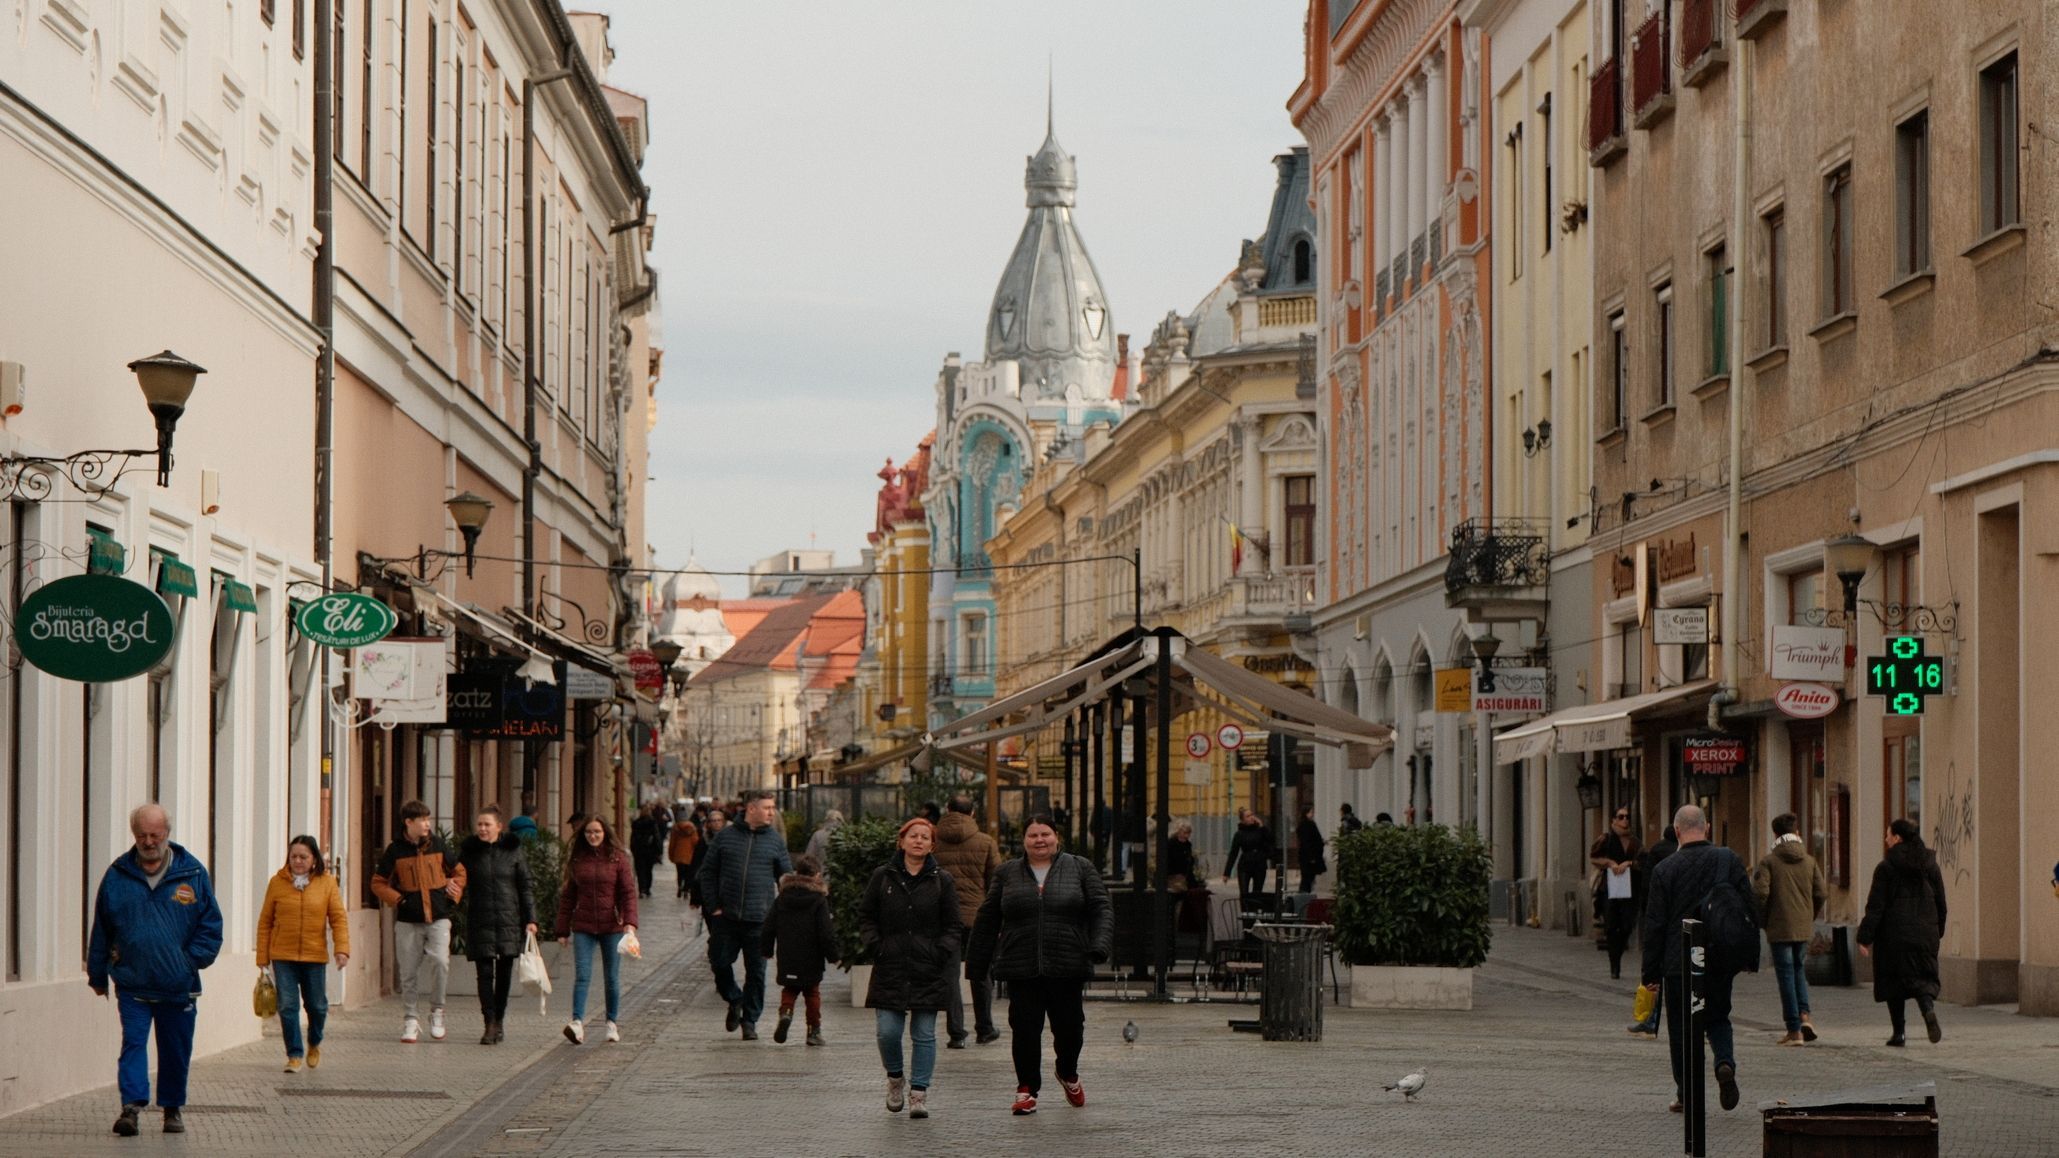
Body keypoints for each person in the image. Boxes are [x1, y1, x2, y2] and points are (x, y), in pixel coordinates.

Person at [89, 805, 222, 1138]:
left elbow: (211, 926)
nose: (149, 842)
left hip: (178, 985)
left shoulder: (192, 874)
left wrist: (189, 961)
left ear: (167, 834)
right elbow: (102, 928)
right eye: (142, 835)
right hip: (132, 981)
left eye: (155, 835)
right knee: (133, 1044)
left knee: (175, 1049)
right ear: (134, 835)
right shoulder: (118, 875)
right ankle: (131, 1109)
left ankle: (172, 1108)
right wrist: (97, 974)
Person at [969, 814, 1112, 1116]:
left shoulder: (1080, 868)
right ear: (1024, 841)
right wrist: (977, 964)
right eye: (1033, 835)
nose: (1040, 840)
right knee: (1024, 1030)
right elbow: (988, 917)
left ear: (1056, 837)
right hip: (1021, 966)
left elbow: (1101, 907)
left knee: (1070, 1029)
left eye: (1045, 834)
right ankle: (1026, 1089)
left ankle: (1067, 1072)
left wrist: (1099, 945)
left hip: (1068, 963)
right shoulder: (1007, 873)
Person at [1640, 804, 1749, 1114]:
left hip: (1679, 962)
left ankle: (1686, 1092)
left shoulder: (1665, 870)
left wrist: (1650, 973)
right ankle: (1724, 1063)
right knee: (1717, 1016)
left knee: (1681, 1030)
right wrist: (1745, 956)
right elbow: (1748, 909)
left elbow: (1655, 925)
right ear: (1708, 827)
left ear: (1677, 831)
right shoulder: (1729, 860)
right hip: (1718, 958)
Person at [861, 817, 962, 1119]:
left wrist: (941, 950)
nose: (918, 841)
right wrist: (876, 944)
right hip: (890, 964)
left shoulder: (941, 880)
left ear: (932, 844)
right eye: (913, 835)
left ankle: (919, 1092)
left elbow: (953, 924)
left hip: (928, 966)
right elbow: (866, 915)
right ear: (901, 841)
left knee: (924, 1033)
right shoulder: (883, 876)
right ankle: (895, 1079)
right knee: (888, 1032)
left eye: (925, 837)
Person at [698, 790, 794, 1040]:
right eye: (767, 807)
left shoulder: (774, 840)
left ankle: (750, 1020)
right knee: (719, 962)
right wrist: (714, 906)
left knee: (757, 973)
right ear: (751, 809)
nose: (772, 812)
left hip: (759, 919)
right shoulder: (726, 837)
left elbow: (785, 878)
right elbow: (707, 873)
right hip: (726, 917)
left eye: (773, 808)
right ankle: (734, 998)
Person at [370, 800, 465, 1044]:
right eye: (422, 820)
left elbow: (460, 872)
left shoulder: (439, 845)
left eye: (428, 819)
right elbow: (378, 883)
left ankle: (438, 1012)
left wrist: (454, 894)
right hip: (408, 921)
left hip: (438, 917)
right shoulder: (395, 851)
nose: (427, 824)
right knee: (408, 971)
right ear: (408, 822)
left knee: (441, 961)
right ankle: (411, 1019)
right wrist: (399, 900)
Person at [256, 835, 349, 1072]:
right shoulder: (277, 883)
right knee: (287, 1006)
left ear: (313, 859)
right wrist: (263, 959)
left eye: (303, 857)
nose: (297, 861)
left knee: (317, 1006)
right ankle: (294, 1054)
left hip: (314, 955)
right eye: (293, 856)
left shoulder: (327, 883)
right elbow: (265, 921)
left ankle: (314, 1042)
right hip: (282, 955)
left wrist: (341, 949)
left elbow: (338, 918)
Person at [1857, 818, 1948, 1047]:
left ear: (1897, 838)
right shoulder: (1930, 865)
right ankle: (1928, 1010)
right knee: (1923, 980)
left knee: (1894, 982)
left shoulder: (1886, 868)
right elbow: (1941, 902)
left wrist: (1865, 937)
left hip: (1894, 936)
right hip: (1925, 934)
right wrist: (1938, 930)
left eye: (1888, 835)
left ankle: (1899, 1033)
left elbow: (1876, 906)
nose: (1886, 839)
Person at [554, 815, 638, 1045]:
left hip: (612, 926)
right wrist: (562, 929)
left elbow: (628, 893)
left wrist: (630, 922)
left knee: (611, 977)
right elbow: (568, 896)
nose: (593, 836)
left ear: (605, 833)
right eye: (589, 832)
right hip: (583, 926)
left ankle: (611, 1023)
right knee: (582, 975)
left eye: (597, 832)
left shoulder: (617, 858)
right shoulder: (577, 859)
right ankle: (577, 1023)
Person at [458, 804, 536, 1046]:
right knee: (484, 974)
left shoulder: (513, 852)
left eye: (487, 824)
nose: (482, 828)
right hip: (480, 919)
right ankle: (489, 1023)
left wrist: (531, 919)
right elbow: (457, 879)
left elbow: (525, 886)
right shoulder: (469, 853)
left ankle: (499, 1019)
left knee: (503, 976)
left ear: (499, 827)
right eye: (479, 824)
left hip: (508, 920)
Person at [933, 795, 1002, 1049]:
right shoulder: (985, 841)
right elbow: (997, 881)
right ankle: (984, 1028)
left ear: (948, 809)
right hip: (978, 916)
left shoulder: (933, 841)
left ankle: (956, 1034)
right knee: (980, 972)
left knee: (950, 975)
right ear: (973, 813)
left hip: (944, 918)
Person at [1753, 812, 1826, 1046]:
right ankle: (1805, 1017)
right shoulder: (1809, 861)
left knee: (1785, 974)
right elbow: (1821, 893)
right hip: (1803, 927)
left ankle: (1794, 1030)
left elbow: (1760, 893)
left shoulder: (1769, 862)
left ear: (1775, 835)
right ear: (1797, 834)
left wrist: (1763, 919)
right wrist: (1809, 915)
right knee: (1798, 971)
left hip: (1779, 926)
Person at [761, 854, 838, 1047]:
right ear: (817, 875)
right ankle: (813, 1031)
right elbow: (826, 932)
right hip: (811, 955)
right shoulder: (819, 900)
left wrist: (767, 949)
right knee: (812, 992)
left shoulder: (783, 897)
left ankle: (786, 1013)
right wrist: (833, 956)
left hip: (788, 953)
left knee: (790, 989)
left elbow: (769, 925)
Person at [1626, 824, 1679, 1038]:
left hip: (1660, 920)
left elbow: (1647, 886)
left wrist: (1646, 913)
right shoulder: (1690, 852)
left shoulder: (1656, 852)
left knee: (1654, 974)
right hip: (1687, 923)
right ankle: (1698, 1025)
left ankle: (1650, 1021)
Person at [1589, 807, 1643, 980]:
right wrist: (1610, 863)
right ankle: (1614, 964)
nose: (1625, 820)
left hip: (1630, 890)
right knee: (1612, 927)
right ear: (1613, 820)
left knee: (1627, 925)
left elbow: (1643, 862)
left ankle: (1619, 950)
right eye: (1621, 817)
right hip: (1609, 889)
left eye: (1627, 817)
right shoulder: (1606, 839)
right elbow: (1593, 857)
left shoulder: (1635, 842)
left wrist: (1629, 863)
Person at [1221, 810, 1271, 910]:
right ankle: (1245, 915)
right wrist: (1227, 872)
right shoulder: (1239, 834)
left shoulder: (1260, 830)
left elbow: (1270, 840)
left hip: (1259, 864)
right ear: (1243, 820)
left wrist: (1262, 826)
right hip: (1245, 865)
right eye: (1248, 816)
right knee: (1244, 893)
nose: (1251, 817)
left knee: (1257, 892)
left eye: (1252, 815)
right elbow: (1233, 853)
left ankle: (1255, 915)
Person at [689, 809, 726, 909]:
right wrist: (694, 897)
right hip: (707, 884)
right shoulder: (704, 840)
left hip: (724, 884)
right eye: (713, 821)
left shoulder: (729, 839)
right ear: (709, 823)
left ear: (723, 822)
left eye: (719, 820)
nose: (716, 823)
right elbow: (696, 865)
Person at [630, 801, 667, 899]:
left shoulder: (636, 823)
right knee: (648, 870)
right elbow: (657, 837)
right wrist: (659, 851)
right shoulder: (652, 822)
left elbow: (633, 838)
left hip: (639, 851)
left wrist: (633, 849)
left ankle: (641, 889)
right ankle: (647, 889)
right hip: (650, 851)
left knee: (640, 870)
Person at [667, 814, 700, 900]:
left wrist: (671, 855)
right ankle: (686, 890)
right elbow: (695, 842)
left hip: (678, 855)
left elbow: (672, 843)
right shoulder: (693, 828)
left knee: (680, 873)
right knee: (688, 874)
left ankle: (680, 887)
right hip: (689, 855)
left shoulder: (675, 828)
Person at [1295, 805, 1327, 894]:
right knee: (1307, 878)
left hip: (1308, 855)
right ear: (1306, 813)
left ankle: (1305, 893)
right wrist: (1312, 856)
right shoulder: (1307, 825)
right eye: (1311, 812)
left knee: (1308, 878)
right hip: (1309, 856)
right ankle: (1304, 895)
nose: (1312, 814)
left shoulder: (1306, 824)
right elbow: (1308, 841)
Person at [1166, 821, 1199, 887]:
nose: (1187, 835)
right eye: (1185, 833)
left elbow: (1188, 859)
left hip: (1186, 875)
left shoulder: (1187, 844)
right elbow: (1170, 860)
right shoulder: (1171, 843)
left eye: (1189, 833)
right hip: (1174, 875)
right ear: (1178, 832)